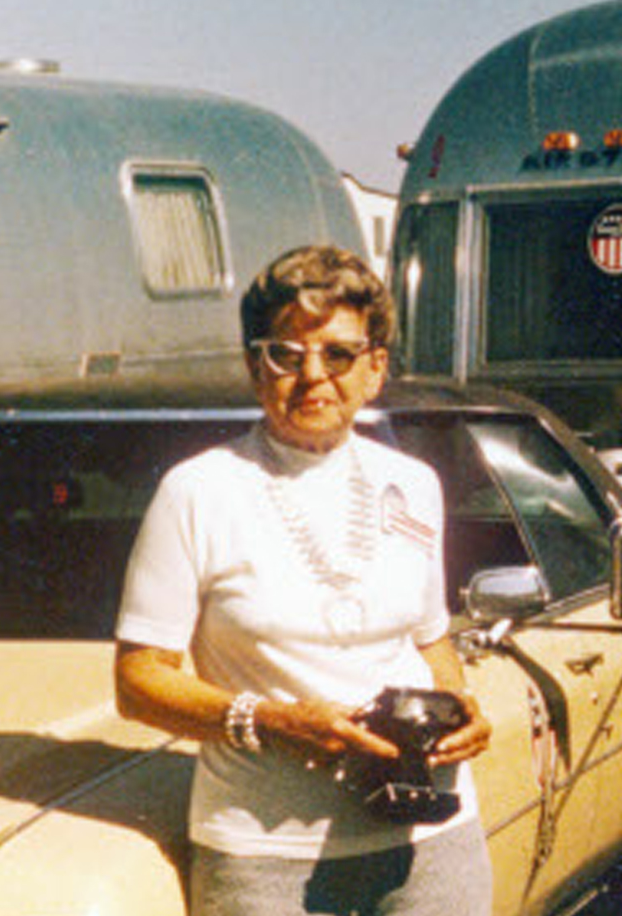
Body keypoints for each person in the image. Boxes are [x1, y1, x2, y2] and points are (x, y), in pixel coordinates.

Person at [114, 243, 494, 916]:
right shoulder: (199, 491)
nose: (312, 376)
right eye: (286, 354)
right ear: (254, 368)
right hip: (265, 858)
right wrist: (272, 721)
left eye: (339, 355)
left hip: (430, 841)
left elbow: (432, 643)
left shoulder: (413, 484)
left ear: (375, 370)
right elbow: (139, 682)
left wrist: (459, 711)